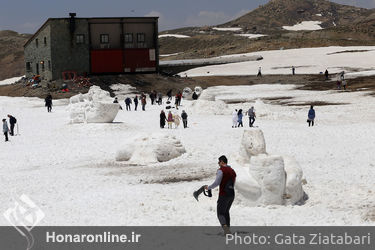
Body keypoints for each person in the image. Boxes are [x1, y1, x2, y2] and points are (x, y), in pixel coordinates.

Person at [205, 155, 236, 235]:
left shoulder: (221, 170)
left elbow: (216, 183)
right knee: (226, 212)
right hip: (232, 194)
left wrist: (209, 187)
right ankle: (228, 230)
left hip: (223, 194)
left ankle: (226, 229)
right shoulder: (233, 171)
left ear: (222, 162)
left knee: (220, 213)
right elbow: (234, 183)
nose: (218, 163)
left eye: (219, 162)